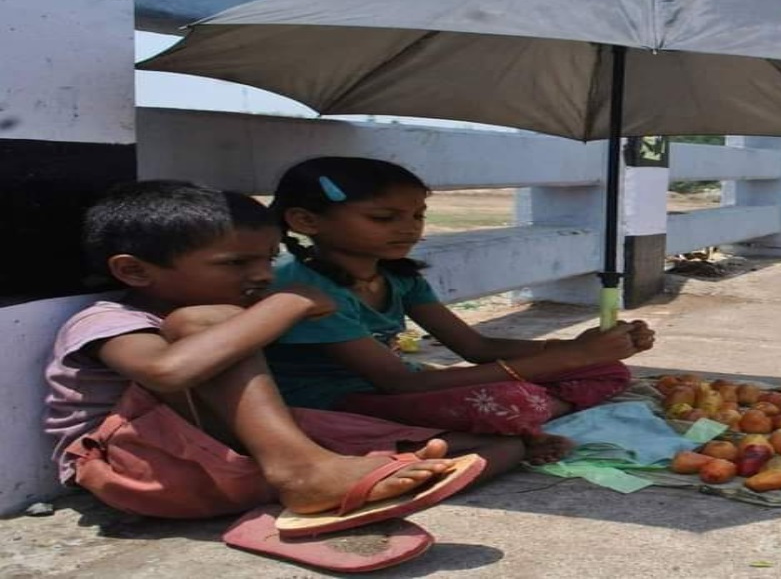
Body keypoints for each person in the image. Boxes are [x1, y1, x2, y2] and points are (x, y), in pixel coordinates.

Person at [44, 180, 522, 521]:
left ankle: (338, 489)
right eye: (237, 262)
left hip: (228, 453)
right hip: (139, 469)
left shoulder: (245, 304)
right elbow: (169, 373)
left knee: (498, 446)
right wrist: (286, 304)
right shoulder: (108, 320)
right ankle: (306, 474)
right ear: (134, 271)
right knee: (207, 324)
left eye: (270, 259)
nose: (263, 275)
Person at [266, 157, 656, 465]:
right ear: (306, 221)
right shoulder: (303, 287)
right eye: (383, 218)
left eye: (417, 215)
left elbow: (476, 347)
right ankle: (519, 416)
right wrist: (569, 357)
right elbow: (400, 384)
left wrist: (580, 347)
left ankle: (515, 419)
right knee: (511, 401)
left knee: (607, 369)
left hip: (402, 387)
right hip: (336, 400)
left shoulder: (396, 274)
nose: (408, 228)